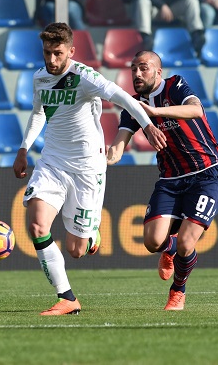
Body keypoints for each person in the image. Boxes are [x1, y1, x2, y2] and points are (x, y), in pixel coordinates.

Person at [13, 23, 167, 316]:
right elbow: (38, 113)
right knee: (36, 225)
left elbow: (122, 97)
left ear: (71, 51)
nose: (52, 60)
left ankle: (91, 234)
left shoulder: (84, 77)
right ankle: (68, 298)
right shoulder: (40, 78)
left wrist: (147, 126)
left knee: (77, 250)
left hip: (87, 167)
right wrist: (23, 149)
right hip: (53, 161)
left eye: (58, 53)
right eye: (47, 53)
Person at [107, 50, 218, 310]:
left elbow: (196, 110)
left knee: (188, 242)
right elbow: (118, 147)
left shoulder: (175, 86)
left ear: (158, 72)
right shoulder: (132, 104)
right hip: (171, 179)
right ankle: (169, 248)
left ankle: (178, 291)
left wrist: (155, 111)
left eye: (144, 68)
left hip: (206, 174)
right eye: (133, 69)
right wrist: (103, 156)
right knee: (152, 242)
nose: (137, 74)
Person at [122, 0, 206, 54]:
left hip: (174, 10)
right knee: (142, 1)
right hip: (155, 8)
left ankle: (197, 35)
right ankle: (145, 37)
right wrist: (161, 5)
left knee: (192, 1)